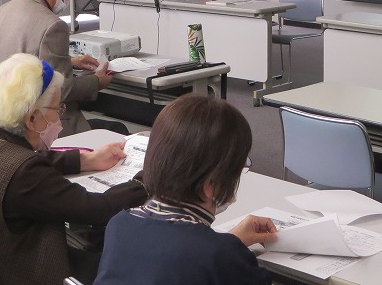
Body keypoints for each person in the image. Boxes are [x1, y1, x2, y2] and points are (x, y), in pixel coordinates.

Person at [0, 54, 148, 285]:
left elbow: (20, 158)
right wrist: (145, 180)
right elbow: (98, 208)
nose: (60, 117)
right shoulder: (24, 173)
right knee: (135, 262)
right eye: (58, 108)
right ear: (33, 118)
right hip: (23, 273)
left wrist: (86, 160)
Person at [94, 95, 277, 285]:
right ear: (211, 185)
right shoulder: (220, 254)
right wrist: (231, 249)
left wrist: (230, 243)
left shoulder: (119, 225)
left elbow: (172, 253)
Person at [0, 0, 111, 135]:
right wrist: (97, 81)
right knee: (117, 129)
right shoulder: (52, 25)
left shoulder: (0, 12)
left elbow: (16, 58)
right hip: (34, 125)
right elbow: (61, 89)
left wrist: (70, 61)